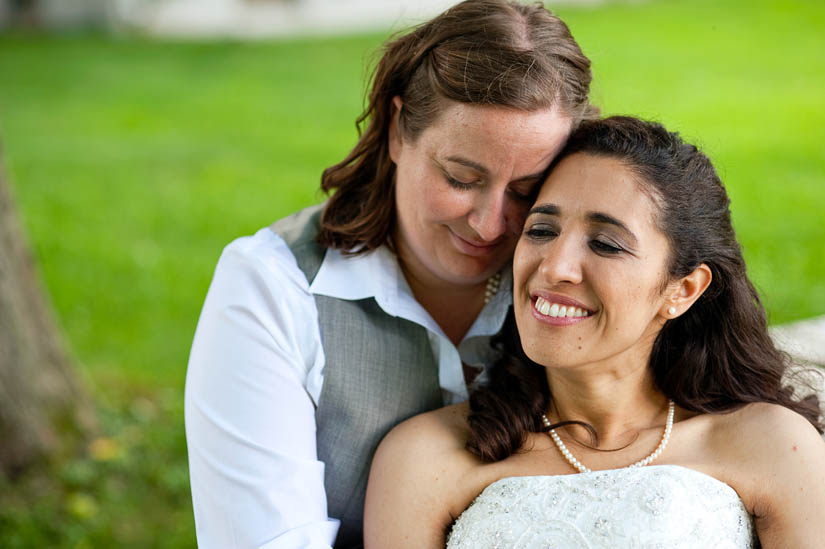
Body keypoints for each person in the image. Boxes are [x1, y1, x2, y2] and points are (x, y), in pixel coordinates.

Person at [184, 1, 597, 547]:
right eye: (461, 177)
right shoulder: (272, 285)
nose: (491, 223)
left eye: (526, 191)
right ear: (400, 130)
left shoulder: (586, 288)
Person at [364, 116, 825, 547]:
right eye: (541, 230)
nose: (555, 267)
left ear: (683, 289)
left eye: (605, 244)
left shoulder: (771, 444)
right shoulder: (426, 457)